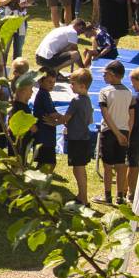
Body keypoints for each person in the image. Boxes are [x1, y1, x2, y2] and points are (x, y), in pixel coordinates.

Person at [96, 58, 134, 205]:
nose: (103, 77)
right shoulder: (129, 92)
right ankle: (120, 197)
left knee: (107, 166)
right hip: (124, 132)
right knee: (120, 165)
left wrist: (116, 133)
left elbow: (106, 115)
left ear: (112, 74)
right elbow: (132, 117)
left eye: (105, 74)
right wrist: (126, 135)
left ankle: (107, 196)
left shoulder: (104, 91)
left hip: (109, 131)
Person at [62, 68, 96, 204]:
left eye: (73, 83)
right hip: (84, 138)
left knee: (79, 169)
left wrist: (55, 119)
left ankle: (83, 198)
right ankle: (81, 195)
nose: (71, 86)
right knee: (79, 168)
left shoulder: (76, 100)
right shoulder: (88, 100)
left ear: (82, 86)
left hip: (77, 139)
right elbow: (90, 120)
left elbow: (66, 118)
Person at [32, 69, 62, 179]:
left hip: (44, 134)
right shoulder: (43, 95)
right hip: (45, 135)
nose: (52, 85)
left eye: (54, 82)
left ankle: (37, 177)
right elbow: (52, 113)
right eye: (49, 82)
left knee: (42, 161)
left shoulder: (45, 94)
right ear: (40, 81)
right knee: (50, 162)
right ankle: (43, 180)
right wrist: (65, 118)